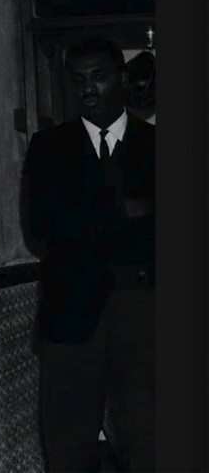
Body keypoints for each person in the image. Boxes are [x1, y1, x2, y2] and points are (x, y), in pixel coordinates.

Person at [22, 36, 154, 472]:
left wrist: (83, 220)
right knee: (67, 446)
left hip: (146, 318)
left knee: (151, 441)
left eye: (99, 76)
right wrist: (130, 212)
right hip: (70, 319)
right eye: (78, 80)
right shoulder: (48, 148)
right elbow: (41, 228)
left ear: (122, 78)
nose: (88, 89)